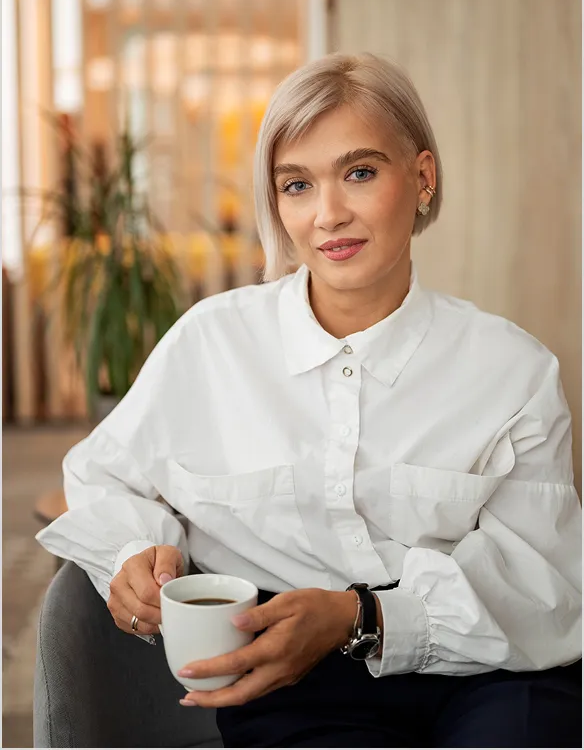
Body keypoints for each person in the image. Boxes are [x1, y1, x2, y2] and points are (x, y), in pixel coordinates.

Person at [37, 53, 582, 748]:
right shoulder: (212, 345)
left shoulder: (513, 370)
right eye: (297, 185)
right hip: (292, 685)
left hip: (496, 668)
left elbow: (544, 585)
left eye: (359, 173)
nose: (328, 215)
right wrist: (136, 554)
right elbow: (105, 475)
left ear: (421, 178)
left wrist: (364, 617)